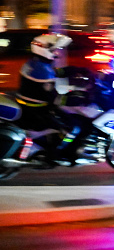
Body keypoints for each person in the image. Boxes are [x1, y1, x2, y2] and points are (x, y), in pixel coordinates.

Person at [16, 33, 91, 163]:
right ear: (45, 49)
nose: (57, 52)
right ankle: (53, 154)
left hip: (29, 106)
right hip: (36, 111)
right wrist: (79, 99)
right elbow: (54, 99)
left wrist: (76, 69)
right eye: (55, 49)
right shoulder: (42, 69)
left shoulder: (36, 63)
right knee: (71, 128)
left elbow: (56, 72)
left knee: (66, 117)